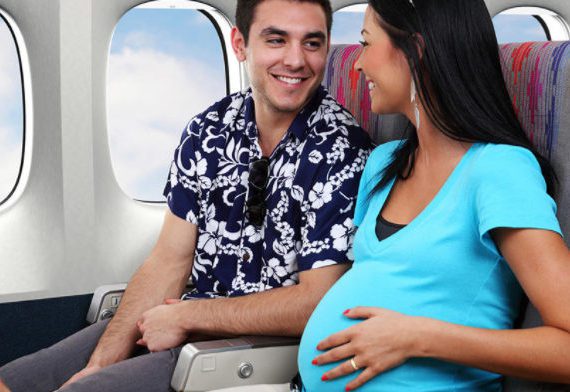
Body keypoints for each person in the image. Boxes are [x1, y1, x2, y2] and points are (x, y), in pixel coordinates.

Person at [0, 1, 372, 391]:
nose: (296, 60)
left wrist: (189, 318)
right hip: (185, 321)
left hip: (256, 348)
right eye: (276, 40)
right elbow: (168, 261)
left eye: (312, 43)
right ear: (240, 44)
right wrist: (100, 361)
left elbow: (315, 302)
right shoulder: (207, 131)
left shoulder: (341, 150)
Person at [297, 0, 570, 391]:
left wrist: (417, 338)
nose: (358, 64)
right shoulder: (384, 163)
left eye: (367, 43)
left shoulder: (498, 170)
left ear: (416, 50)